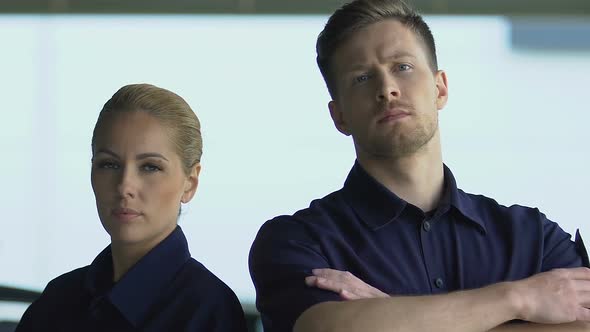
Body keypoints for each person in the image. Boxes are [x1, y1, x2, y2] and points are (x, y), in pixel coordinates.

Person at [248, 1, 590, 331]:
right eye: (362, 78)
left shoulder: (533, 237)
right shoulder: (299, 241)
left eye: (402, 67)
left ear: (440, 88)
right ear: (339, 116)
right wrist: (516, 299)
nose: (387, 89)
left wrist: (388, 315)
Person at [16, 84, 248, 332]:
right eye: (108, 164)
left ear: (189, 183)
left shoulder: (209, 311)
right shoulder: (56, 300)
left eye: (150, 167)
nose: (125, 185)